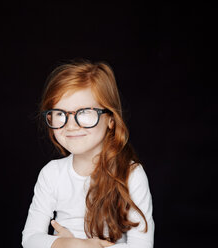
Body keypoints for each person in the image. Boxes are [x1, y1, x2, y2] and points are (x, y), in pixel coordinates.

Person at [22, 59, 155, 248]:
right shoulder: (51, 173)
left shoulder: (131, 174)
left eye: (83, 112)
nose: (70, 125)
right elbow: (30, 239)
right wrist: (73, 244)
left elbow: (142, 245)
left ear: (110, 119)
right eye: (60, 113)